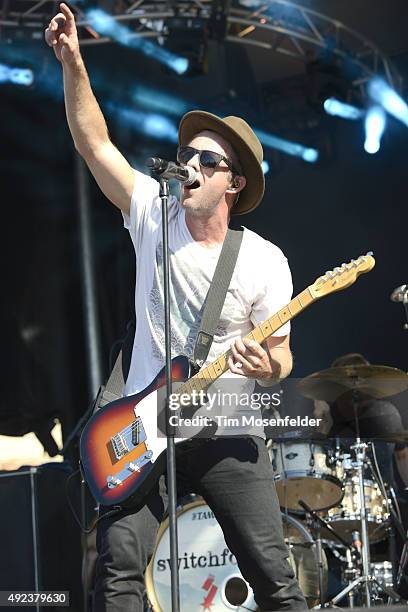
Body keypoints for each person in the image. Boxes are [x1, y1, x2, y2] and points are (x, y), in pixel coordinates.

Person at [45, 4, 308, 610]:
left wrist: (265, 366)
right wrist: (72, 63)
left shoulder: (265, 262)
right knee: (117, 572)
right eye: (187, 154)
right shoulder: (153, 214)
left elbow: (282, 359)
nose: (190, 165)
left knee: (274, 578)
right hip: (142, 425)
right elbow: (94, 143)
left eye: (207, 161)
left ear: (233, 184)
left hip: (224, 428)